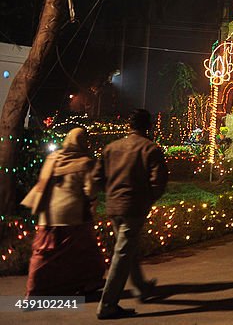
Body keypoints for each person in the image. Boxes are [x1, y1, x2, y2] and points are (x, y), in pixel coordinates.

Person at [94, 109, 168, 320]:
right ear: (148, 127)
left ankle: (141, 288)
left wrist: (110, 193)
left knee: (127, 248)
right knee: (122, 254)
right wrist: (146, 199)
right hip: (133, 207)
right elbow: (158, 182)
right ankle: (107, 305)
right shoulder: (150, 149)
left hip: (113, 206)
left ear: (129, 125)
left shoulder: (111, 148)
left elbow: (97, 177)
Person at [21, 127, 105, 298]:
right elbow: (90, 191)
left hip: (48, 215)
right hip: (74, 216)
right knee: (85, 252)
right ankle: (88, 283)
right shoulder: (85, 162)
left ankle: (34, 289)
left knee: (43, 254)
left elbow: (42, 183)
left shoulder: (52, 158)